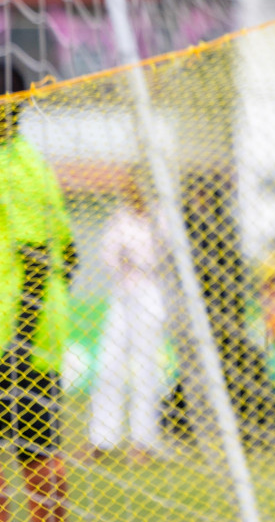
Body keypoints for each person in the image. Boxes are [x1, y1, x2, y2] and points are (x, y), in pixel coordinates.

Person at [0, 66, 75, 522]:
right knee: (38, 447)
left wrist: (20, 342)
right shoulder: (30, 159)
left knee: (37, 454)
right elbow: (71, 255)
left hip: (14, 336)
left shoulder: (14, 167)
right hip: (34, 335)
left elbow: (36, 259)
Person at [87, 181, 167, 462]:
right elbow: (107, 254)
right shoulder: (119, 217)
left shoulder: (162, 218)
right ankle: (102, 439)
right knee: (109, 365)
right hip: (122, 293)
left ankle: (142, 441)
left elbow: (165, 258)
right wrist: (121, 258)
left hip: (151, 293)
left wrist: (138, 260)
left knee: (146, 369)